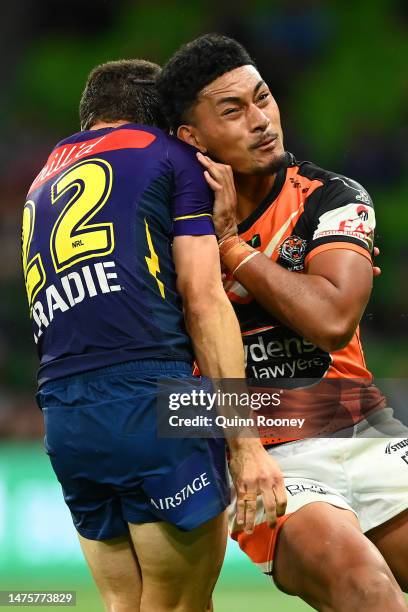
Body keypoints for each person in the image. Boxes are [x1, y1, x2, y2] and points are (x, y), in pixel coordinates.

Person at [21, 59, 286, 612]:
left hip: (66, 413)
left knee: (127, 603)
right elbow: (203, 300)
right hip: (154, 397)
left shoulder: (40, 182)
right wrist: (245, 444)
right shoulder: (168, 156)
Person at [157, 34, 408, 610]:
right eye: (233, 110)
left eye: (263, 98)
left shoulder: (329, 196)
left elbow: (332, 320)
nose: (261, 120)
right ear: (191, 139)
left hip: (366, 433)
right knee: (367, 590)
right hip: (268, 457)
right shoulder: (168, 233)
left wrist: (231, 248)